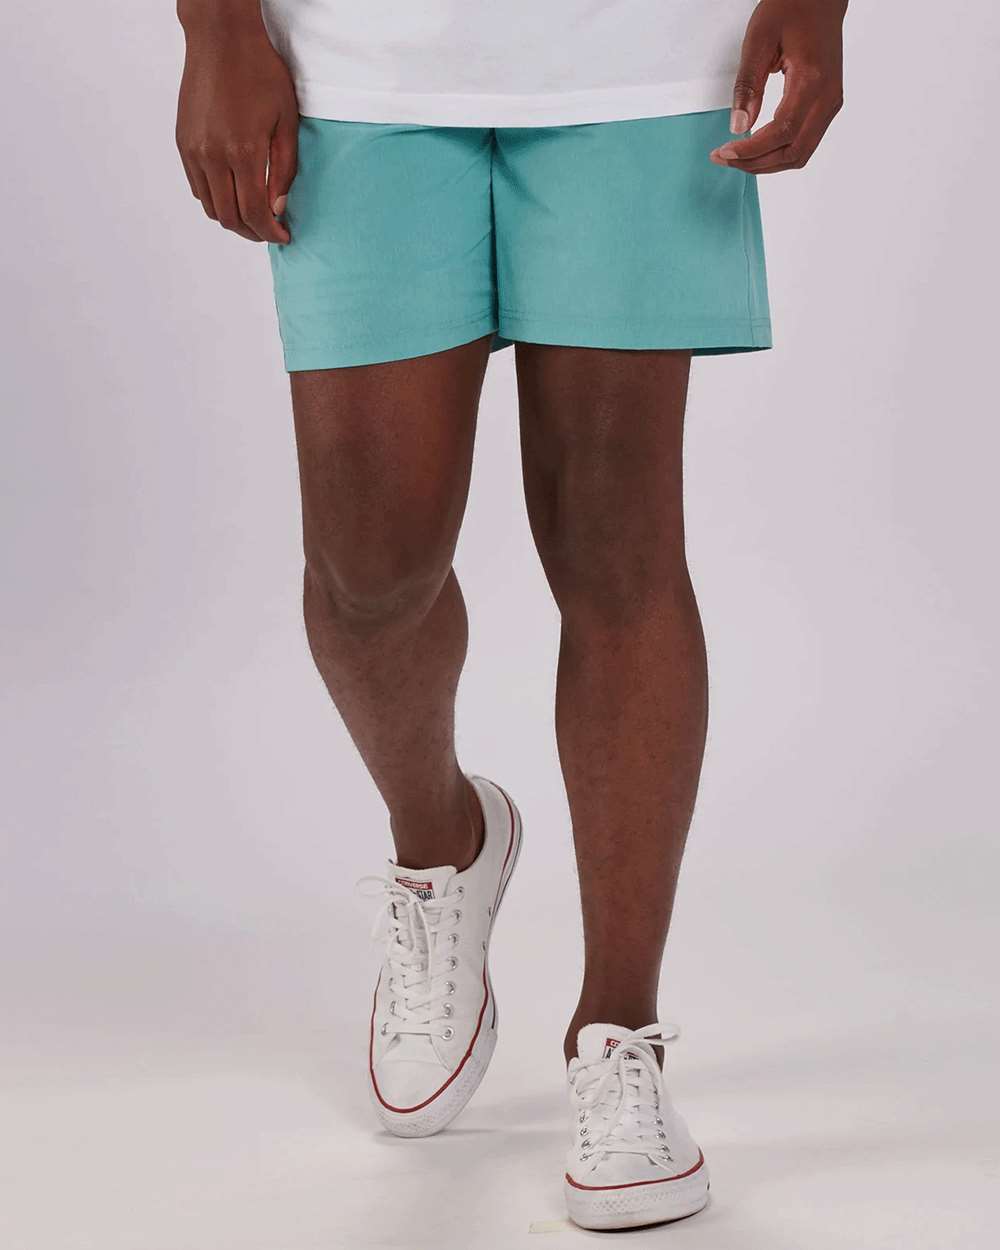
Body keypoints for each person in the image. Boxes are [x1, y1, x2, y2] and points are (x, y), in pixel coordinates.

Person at [175, 0, 846, 1230]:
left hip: (645, 66)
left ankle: (619, 1030)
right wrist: (215, 30)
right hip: (355, 70)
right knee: (368, 571)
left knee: (616, 542)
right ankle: (445, 841)